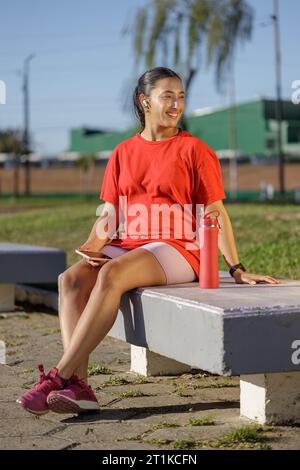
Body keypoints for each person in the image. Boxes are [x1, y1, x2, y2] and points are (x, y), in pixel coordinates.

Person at [16, 67, 280, 416]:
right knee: (71, 280)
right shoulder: (123, 152)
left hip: (180, 248)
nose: (176, 104)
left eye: (181, 96)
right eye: (167, 96)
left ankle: (57, 377)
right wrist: (93, 246)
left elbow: (215, 211)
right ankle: (80, 386)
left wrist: (237, 267)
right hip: (129, 244)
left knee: (112, 275)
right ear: (145, 101)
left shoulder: (195, 150)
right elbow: (109, 214)